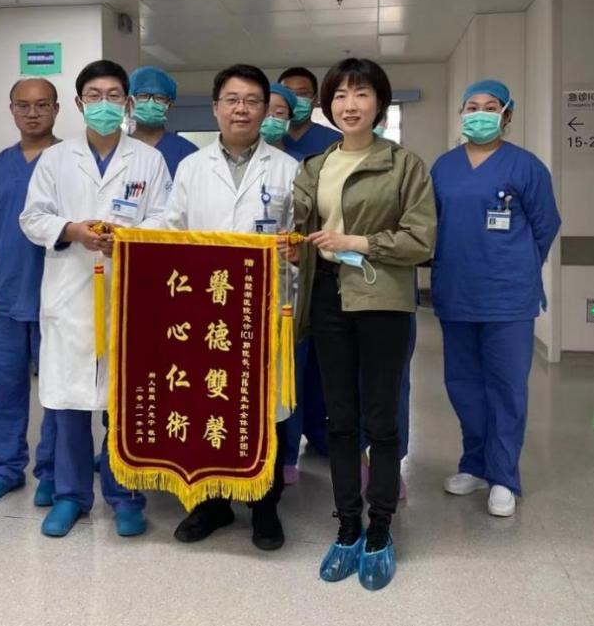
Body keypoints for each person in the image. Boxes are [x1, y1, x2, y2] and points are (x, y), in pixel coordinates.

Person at [292, 58, 436, 591]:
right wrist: (294, 246)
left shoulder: (404, 165)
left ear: (380, 103)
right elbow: (301, 229)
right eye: (340, 96)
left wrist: (359, 242)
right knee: (340, 420)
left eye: (361, 94)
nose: (349, 105)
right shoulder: (315, 165)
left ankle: (380, 530)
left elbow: (421, 240)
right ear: (327, 105)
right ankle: (347, 526)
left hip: (382, 298)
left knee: (381, 419)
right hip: (328, 296)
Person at [20, 59, 171, 539]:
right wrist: (73, 230)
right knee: (67, 404)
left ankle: (126, 496)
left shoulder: (148, 160)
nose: (103, 104)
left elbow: (167, 218)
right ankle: (71, 496)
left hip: (129, 295)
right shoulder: (55, 159)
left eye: (113, 96)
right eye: (94, 96)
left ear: (127, 103)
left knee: (124, 404)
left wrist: (127, 236)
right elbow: (32, 217)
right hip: (69, 295)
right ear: (79, 103)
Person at [163, 64, 299, 552]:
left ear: (266, 110)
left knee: (266, 409)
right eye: (232, 100)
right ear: (216, 107)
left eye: (252, 101)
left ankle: (265, 507)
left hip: (264, 308)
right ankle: (212, 503)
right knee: (209, 403)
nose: (241, 109)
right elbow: (171, 231)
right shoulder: (192, 168)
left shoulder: (288, 169)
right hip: (205, 308)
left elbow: (300, 238)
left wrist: (294, 255)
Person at [431, 79, 560, 518]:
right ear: (461, 114)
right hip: (456, 291)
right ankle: (474, 464)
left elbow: (545, 226)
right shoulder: (444, 167)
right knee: (463, 385)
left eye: (490, 107)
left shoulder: (526, 167)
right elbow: (431, 225)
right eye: (472, 107)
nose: (480, 114)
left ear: (507, 115)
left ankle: (504, 476)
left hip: (508, 297)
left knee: (505, 387)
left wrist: (514, 264)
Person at [0, 78, 60, 507]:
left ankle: (54, 472)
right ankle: (3, 469)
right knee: (2, 389)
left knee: (57, 394)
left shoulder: (70, 162)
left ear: (57, 109)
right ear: (12, 110)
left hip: (58, 296)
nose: (32, 113)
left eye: (41, 105)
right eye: (23, 105)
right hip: (4, 295)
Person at [274, 69, 338, 484]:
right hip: (265, 278)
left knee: (314, 367)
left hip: (317, 267)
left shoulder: (329, 144)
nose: (292, 103)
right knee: (285, 368)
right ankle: (285, 452)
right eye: (283, 97)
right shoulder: (265, 145)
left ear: (314, 100)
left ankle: (317, 435)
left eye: (301, 95)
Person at [128, 65, 198, 177]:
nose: (150, 103)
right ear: (130, 102)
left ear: (169, 105)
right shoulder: (117, 148)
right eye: (143, 96)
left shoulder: (187, 152)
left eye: (159, 98)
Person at [277, 66, 342, 160]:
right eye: (287, 94)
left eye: (302, 94)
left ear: (315, 100)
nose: (294, 99)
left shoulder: (334, 140)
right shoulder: (267, 137)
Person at [260, 82, 295, 147]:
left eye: (279, 112)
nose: (270, 119)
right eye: (264, 111)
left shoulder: (295, 154)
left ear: (289, 118)